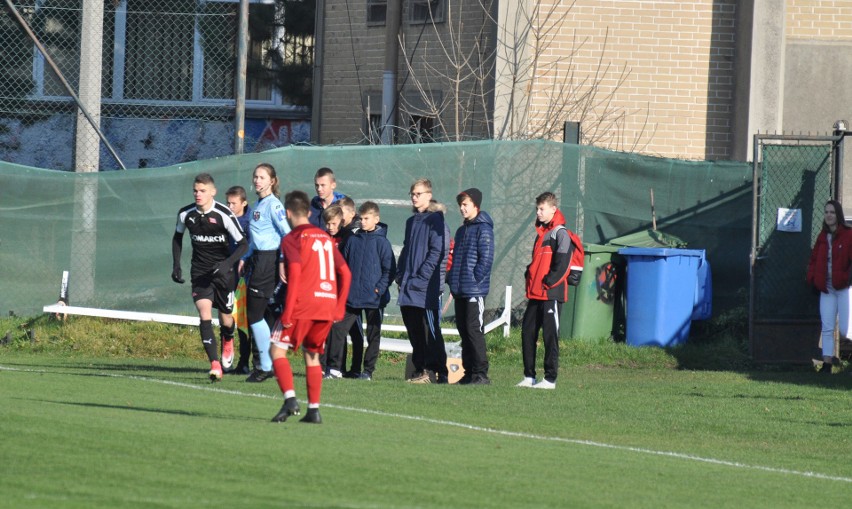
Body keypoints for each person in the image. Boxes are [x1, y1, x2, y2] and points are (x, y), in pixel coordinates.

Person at [269, 190, 351, 424]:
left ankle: (290, 399)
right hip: (326, 304)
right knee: (312, 354)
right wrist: (339, 306)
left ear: (287, 213)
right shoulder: (326, 238)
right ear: (309, 212)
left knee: (276, 350)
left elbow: (294, 272)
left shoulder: (292, 238)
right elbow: (345, 272)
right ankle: (313, 410)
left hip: (303, 304)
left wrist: (288, 310)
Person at [172, 173, 247, 382]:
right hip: (200, 272)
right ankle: (215, 364)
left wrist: (226, 264)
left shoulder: (224, 214)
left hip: (224, 273)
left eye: (203, 191)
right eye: (195, 190)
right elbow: (177, 237)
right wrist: (176, 265)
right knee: (204, 313)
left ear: (212, 192)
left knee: (226, 317)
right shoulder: (186, 214)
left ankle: (228, 338)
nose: (198, 194)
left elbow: (243, 244)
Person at [517, 192, 582, 390]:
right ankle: (529, 377)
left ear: (553, 209)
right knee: (528, 334)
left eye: (542, 209)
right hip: (536, 293)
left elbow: (562, 263)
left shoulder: (559, 233)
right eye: (537, 209)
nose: (538, 212)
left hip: (550, 293)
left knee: (550, 337)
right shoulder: (542, 234)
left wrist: (548, 282)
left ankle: (550, 379)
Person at [240, 163, 291, 383]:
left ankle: (266, 366)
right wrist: (244, 258)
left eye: (262, 177)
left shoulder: (274, 205)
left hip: (268, 261)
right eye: (255, 176)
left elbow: (287, 234)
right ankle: (263, 364)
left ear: (272, 181)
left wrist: (281, 261)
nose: (257, 180)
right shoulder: (258, 205)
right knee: (255, 315)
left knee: (255, 315)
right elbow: (255, 239)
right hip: (257, 260)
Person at [396, 178, 450, 384]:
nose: (414, 198)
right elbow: (406, 249)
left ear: (428, 195)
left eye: (418, 194)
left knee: (430, 330)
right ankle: (420, 370)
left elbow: (438, 251)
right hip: (408, 285)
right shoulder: (411, 222)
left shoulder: (435, 220)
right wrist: (400, 275)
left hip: (426, 287)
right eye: (412, 194)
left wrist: (423, 275)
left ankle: (436, 371)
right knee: (414, 330)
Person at [339, 201, 396, 380]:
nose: (362, 222)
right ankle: (337, 368)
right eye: (361, 218)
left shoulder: (382, 243)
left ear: (376, 219)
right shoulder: (352, 239)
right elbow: (343, 265)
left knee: (373, 335)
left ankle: (367, 371)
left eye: (366, 218)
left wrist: (378, 289)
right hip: (353, 297)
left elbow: (390, 270)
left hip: (374, 298)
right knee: (339, 330)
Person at [446, 188, 494, 385]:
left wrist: (475, 280)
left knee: (474, 330)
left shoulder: (484, 229)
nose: (462, 208)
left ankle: (481, 373)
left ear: (476, 205)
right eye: (461, 205)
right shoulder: (462, 230)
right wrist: (452, 278)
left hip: (474, 290)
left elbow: (486, 259)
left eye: (465, 204)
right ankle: (468, 372)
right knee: (464, 330)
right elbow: (456, 258)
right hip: (460, 289)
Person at [806, 199, 852, 374]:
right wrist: (812, 278)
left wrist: (849, 279)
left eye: (832, 212)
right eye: (826, 212)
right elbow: (814, 259)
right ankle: (827, 364)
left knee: (847, 328)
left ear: (838, 215)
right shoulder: (822, 237)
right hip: (827, 288)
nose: (829, 215)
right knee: (827, 327)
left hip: (845, 288)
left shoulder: (848, 234)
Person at [225, 185, 257, 375]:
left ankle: (255, 362)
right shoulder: (226, 218)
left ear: (244, 203)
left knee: (250, 321)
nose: (230, 207)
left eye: (233, 203)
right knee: (234, 318)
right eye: (228, 202)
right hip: (231, 277)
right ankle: (241, 362)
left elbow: (252, 246)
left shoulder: (250, 221)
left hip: (248, 277)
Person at [320, 204, 348, 379]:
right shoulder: (322, 239)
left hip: (339, 292)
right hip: (323, 291)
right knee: (322, 330)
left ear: (341, 222)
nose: (330, 227)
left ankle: (336, 366)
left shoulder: (346, 239)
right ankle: (321, 366)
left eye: (333, 223)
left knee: (338, 331)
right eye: (327, 223)